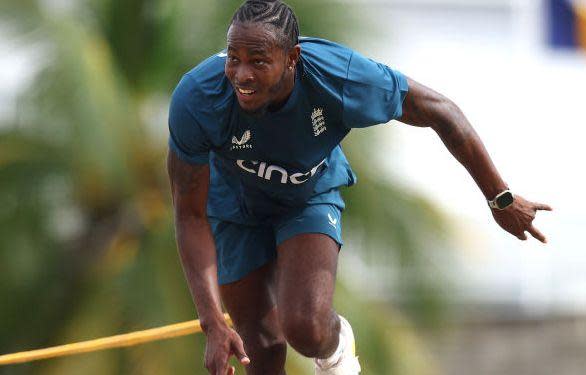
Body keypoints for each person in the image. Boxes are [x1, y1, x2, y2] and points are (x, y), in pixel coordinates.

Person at [167, 0, 551, 374]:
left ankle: (337, 355)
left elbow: (442, 112)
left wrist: (499, 198)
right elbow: (189, 214)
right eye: (234, 58)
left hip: (307, 196)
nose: (242, 75)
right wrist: (212, 323)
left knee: (306, 327)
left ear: (292, 58)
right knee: (260, 351)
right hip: (233, 207)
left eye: (259, 60)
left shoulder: (340, 76)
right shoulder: (197, 98)